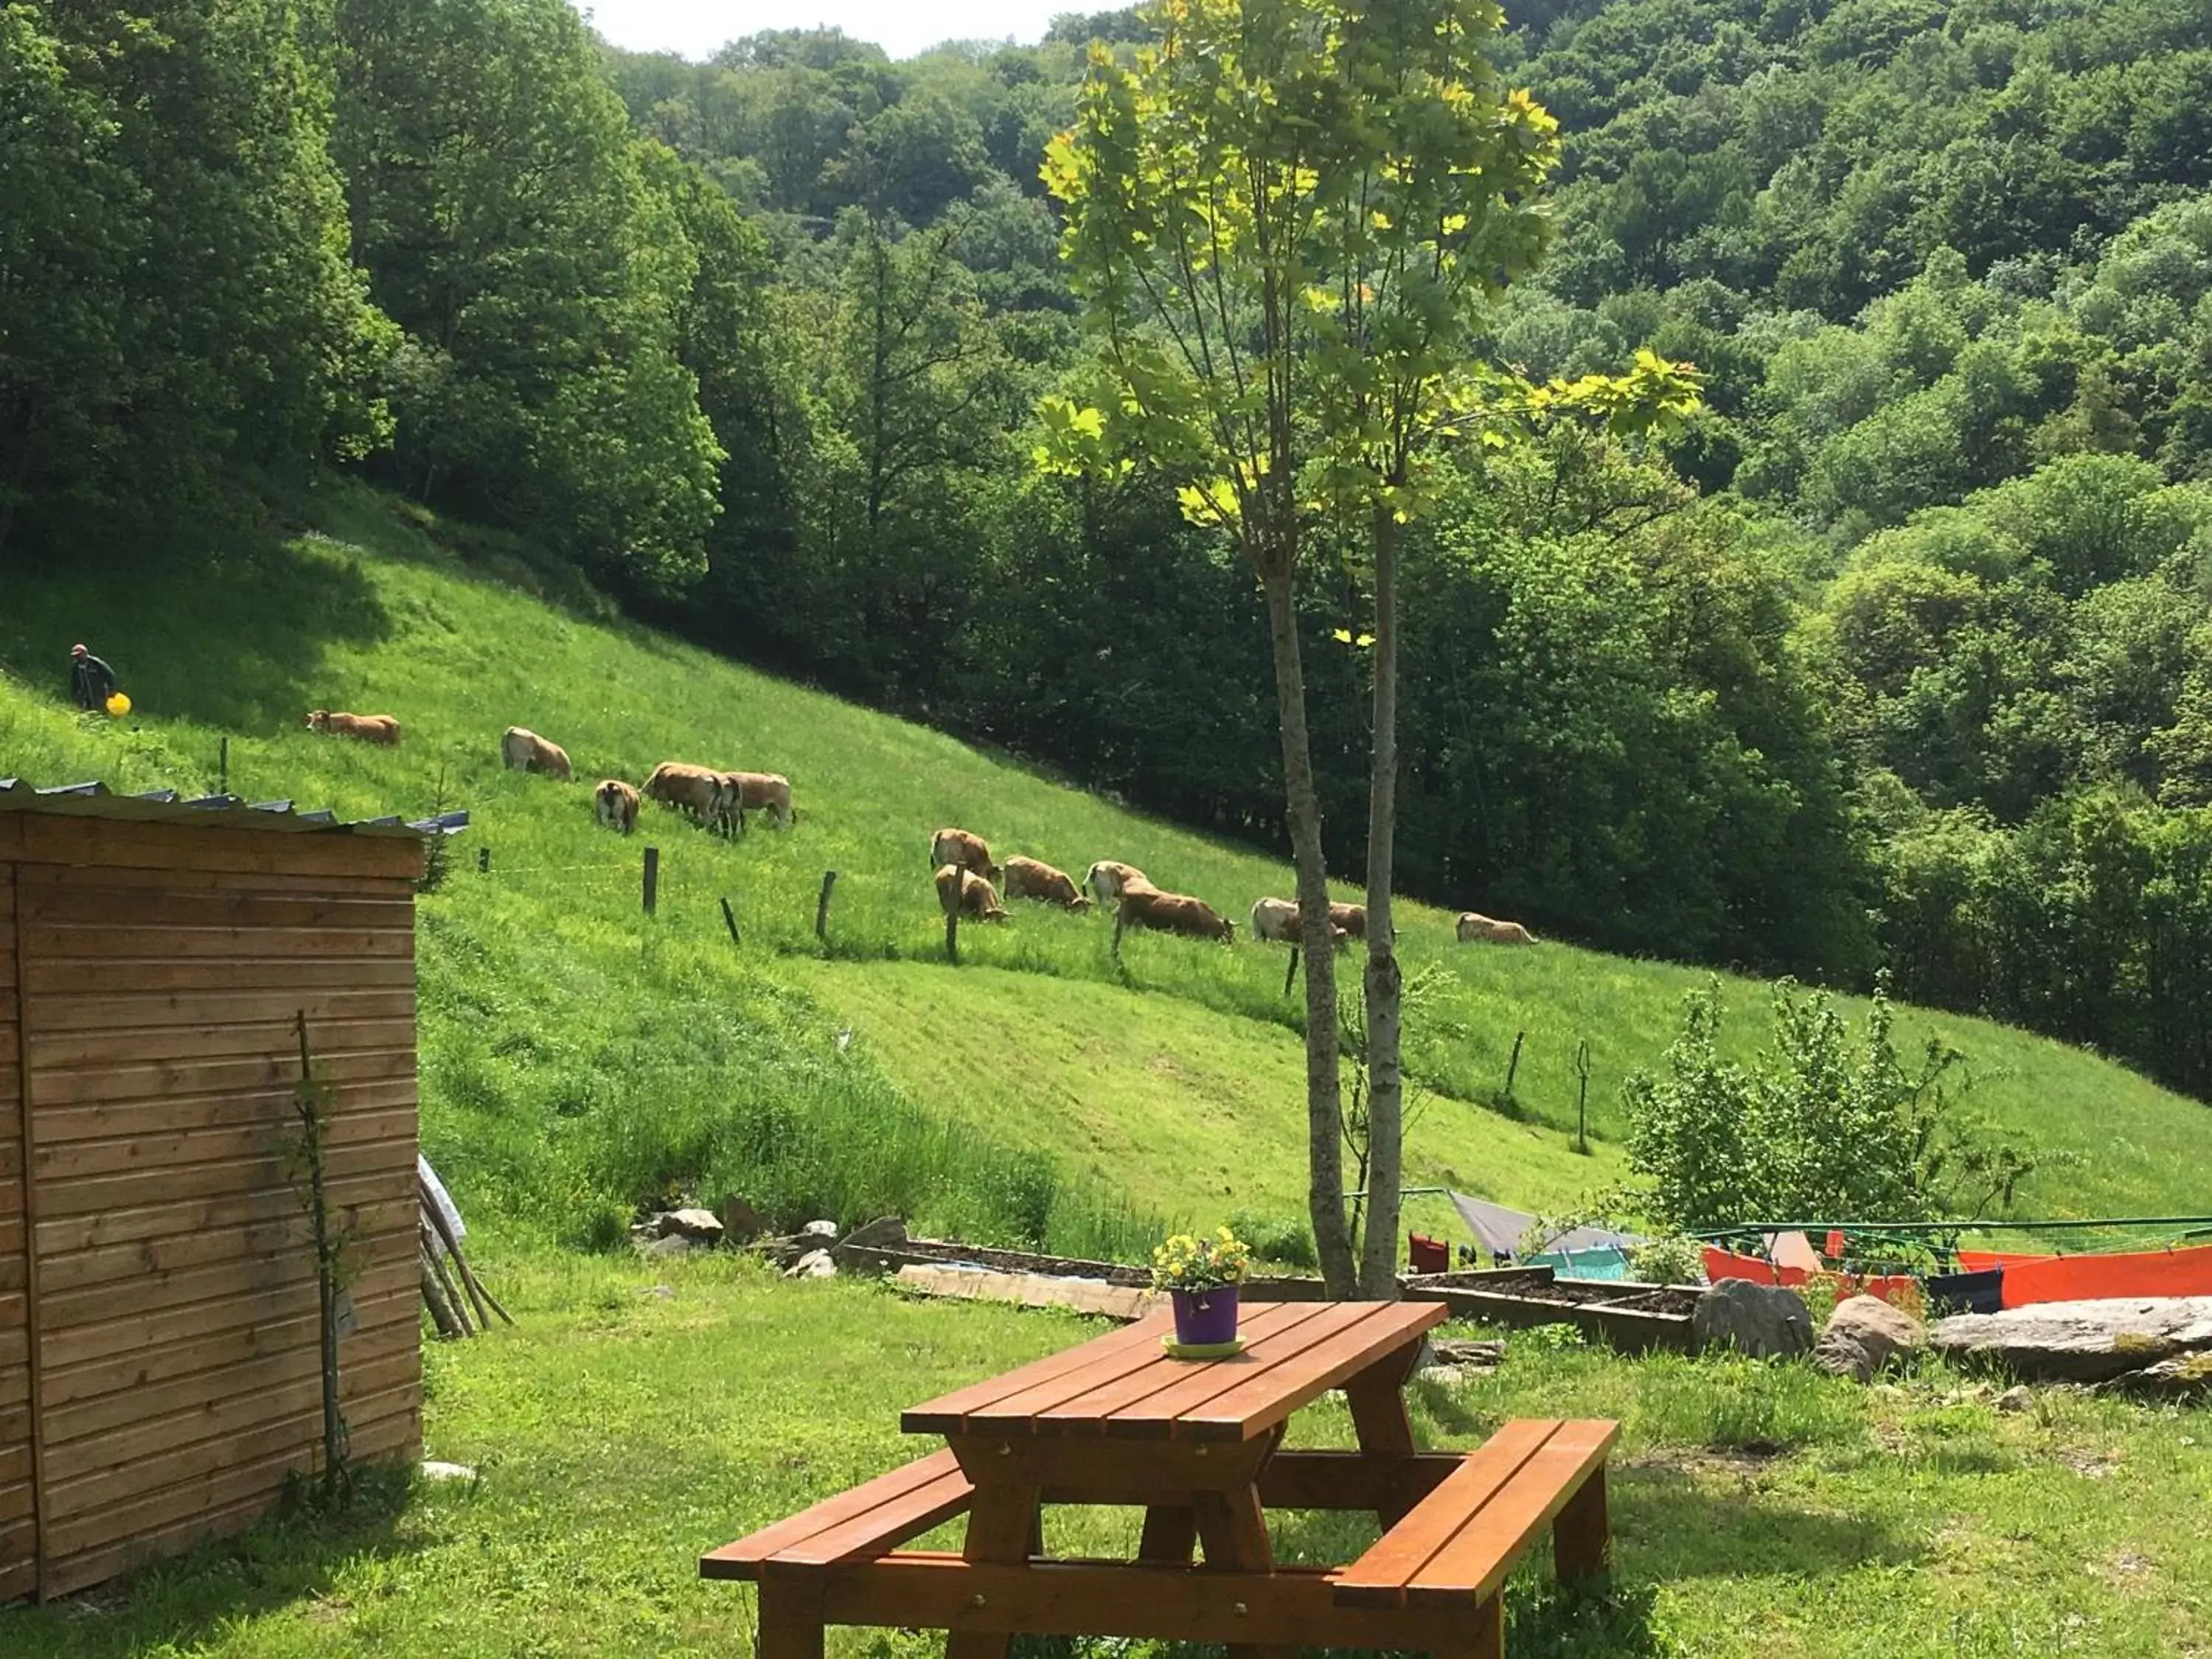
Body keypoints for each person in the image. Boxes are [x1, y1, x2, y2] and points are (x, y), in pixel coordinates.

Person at [69, 643, 117, 712]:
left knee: (101, 711)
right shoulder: (76, 667)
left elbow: (110, 675)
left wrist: (112, 690)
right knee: (87, 711)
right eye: (75, 656)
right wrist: (75, 694)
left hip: (100, 693)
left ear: (85, 654)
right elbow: (74, 682)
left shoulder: (96, 663)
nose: (77, 658)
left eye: (79, 655)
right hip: (85, 694)